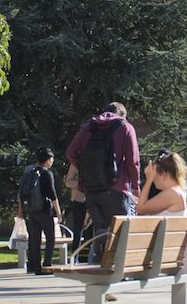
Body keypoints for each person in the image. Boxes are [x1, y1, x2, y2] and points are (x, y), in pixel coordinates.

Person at [65, 101, 140, 239]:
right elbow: (133, 161)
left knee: (101, 235)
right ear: (122, 115)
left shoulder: (89, 127)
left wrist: (84, 169)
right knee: (118, 238)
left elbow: (71, 152)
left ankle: (100, 259)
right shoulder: (126, 127)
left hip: (92, 190)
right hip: (117, 188)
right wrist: (136, 187)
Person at [17, 146, 61, 274]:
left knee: (34, 239)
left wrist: (21, 210)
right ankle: (47, 264)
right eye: (52, 158)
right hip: (43, 210)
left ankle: (34, 266)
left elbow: (21, 193)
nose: (52, 161)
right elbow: (52, 194)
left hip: (30, 211)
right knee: (50, 237)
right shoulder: (47, 173)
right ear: (47, 160)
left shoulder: (29, 172)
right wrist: (58, 212)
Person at [138, 151, 187, 216]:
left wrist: (149, 180)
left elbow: (140, 209)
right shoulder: (178, 191)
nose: (153, 180)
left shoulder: (171, 193)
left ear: (164, 175)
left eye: (154, 176)